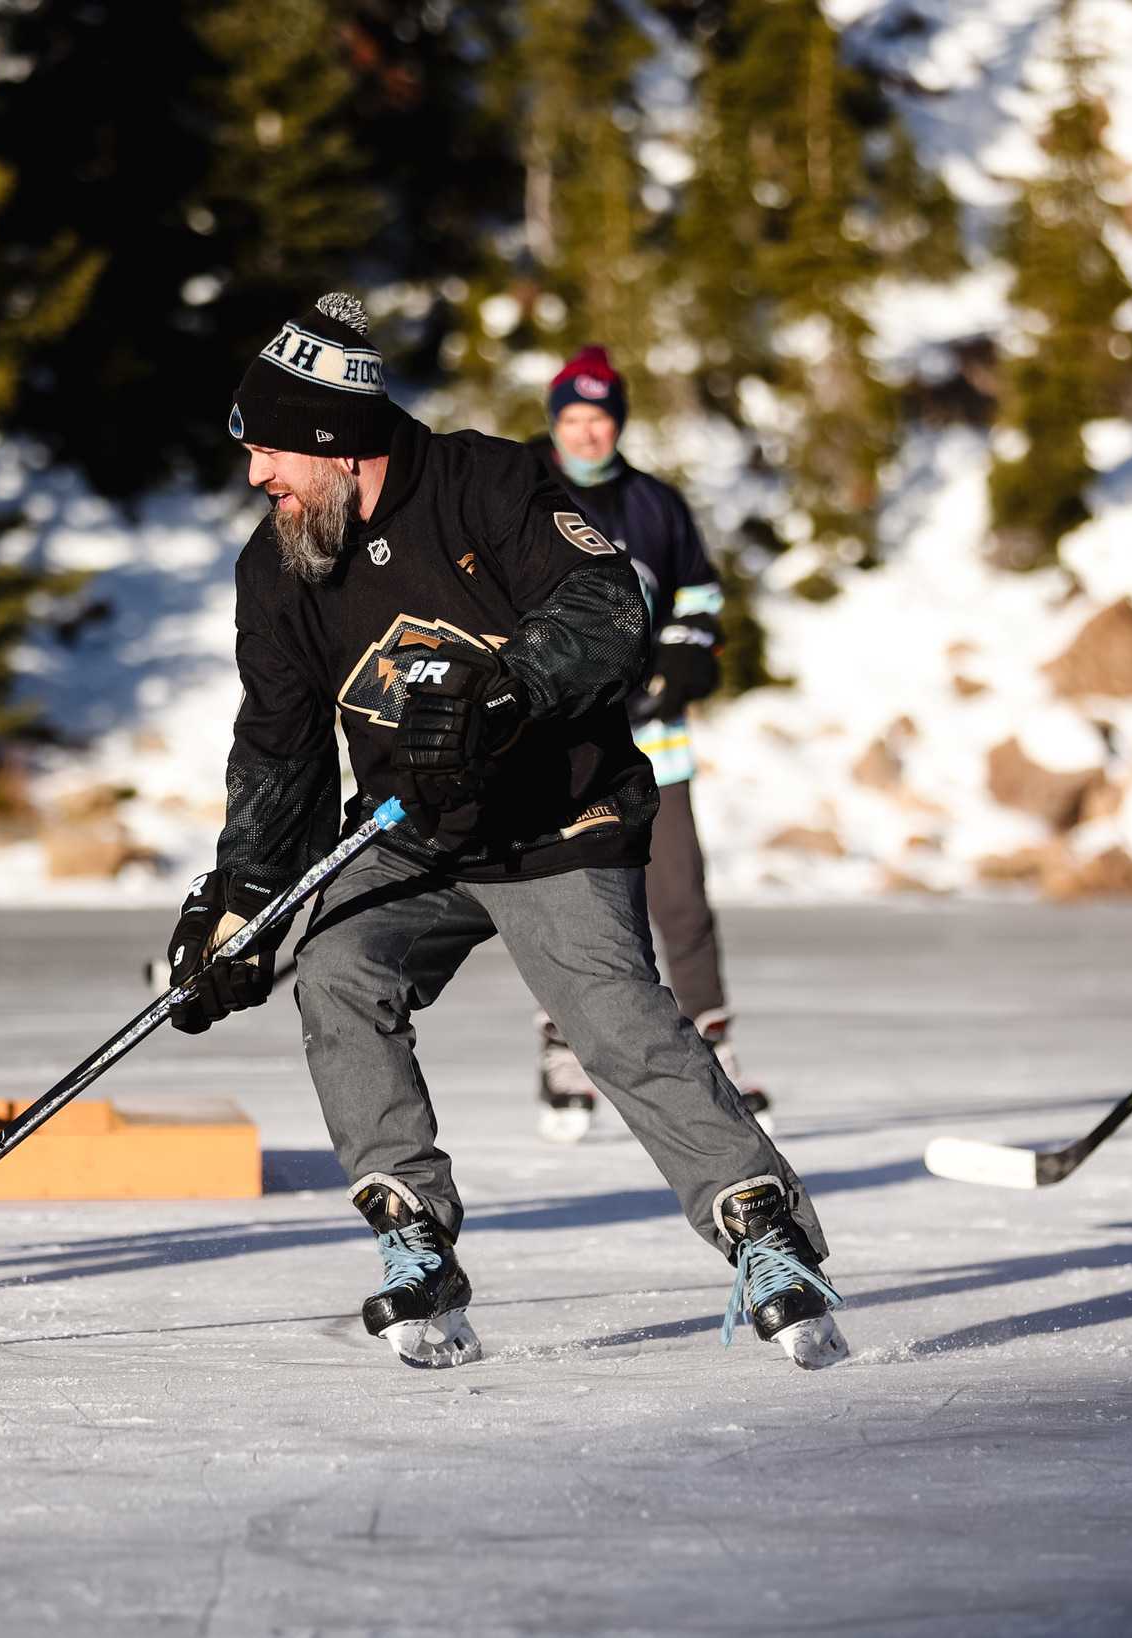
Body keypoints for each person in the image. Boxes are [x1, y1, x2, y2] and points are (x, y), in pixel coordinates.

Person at [162, 293, 846, 1370]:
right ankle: (413, 1240)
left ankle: (763, 1233)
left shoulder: (486, 483)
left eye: (276, 453)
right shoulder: (280, 566)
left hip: (557, 814)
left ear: (339, 447)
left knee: (608, 1017)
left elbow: (604, 607)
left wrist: (504, 696)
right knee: (337, 974)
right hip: (412, 832)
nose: (259, 478)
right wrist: (244, 902)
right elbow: (278, 753)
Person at [525, 345, 768, 1142]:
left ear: (618, 423)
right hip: (559, 745)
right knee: (576, 896)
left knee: (680, 895)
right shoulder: (521, 490)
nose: (588, 434)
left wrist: (685, 656)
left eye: (600, 419)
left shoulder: (656, 503)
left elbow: (698, 591)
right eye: (573, 419)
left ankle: (713, 1042)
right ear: (554, 422)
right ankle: (564, 1046)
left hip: (653, 739)